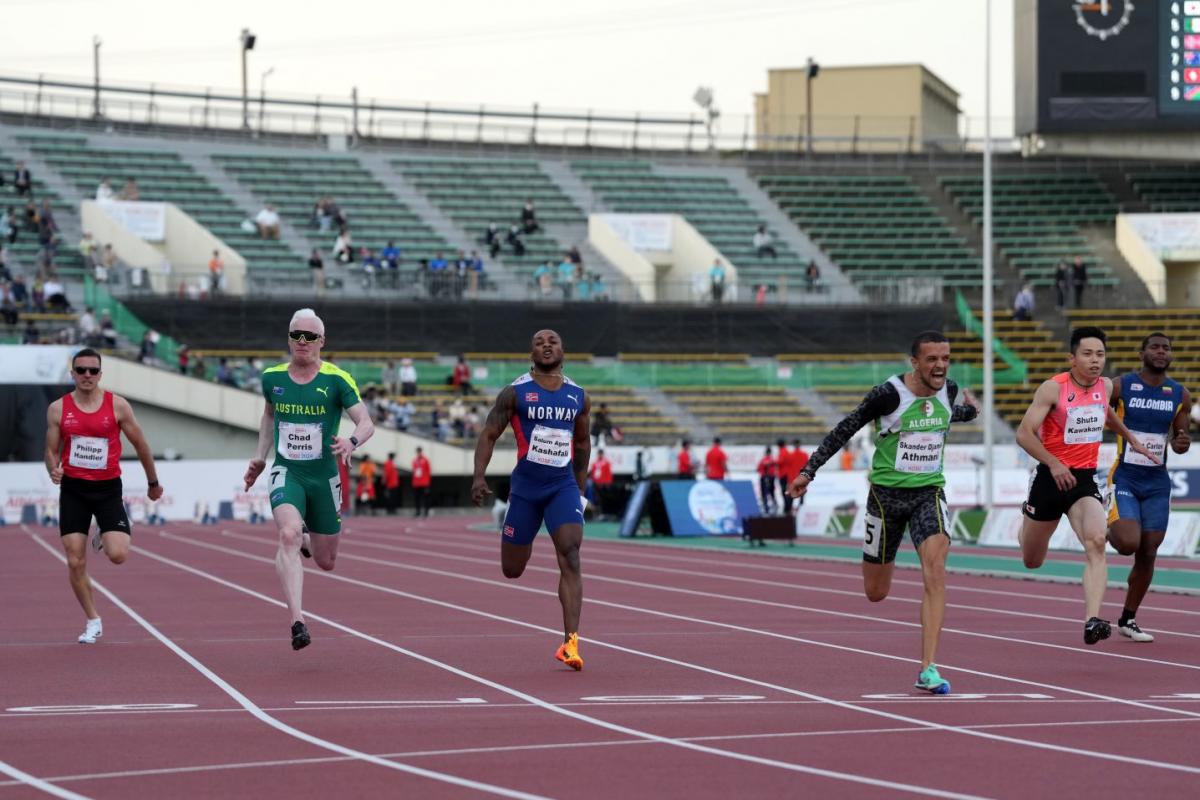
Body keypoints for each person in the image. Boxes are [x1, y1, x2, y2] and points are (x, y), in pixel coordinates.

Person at [789, 331, 981, 694]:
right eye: (931, 359)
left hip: (928, 492)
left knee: (936, 570)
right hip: (885, 499)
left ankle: (928, 668)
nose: (940, 366)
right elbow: (846, 427)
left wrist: (970, 411)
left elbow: (949, 414)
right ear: (915, 362)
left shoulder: (949, 389)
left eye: (945, 358)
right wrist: (808, 471)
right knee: (876, 592)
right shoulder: (888, 394)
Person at [1015, 326, 1157, 646]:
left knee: (1096, 541)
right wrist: (1053, 462)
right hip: (1050, 479)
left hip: (1083, 480)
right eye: (1088, 354)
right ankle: (1025, 523)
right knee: (1032, 559)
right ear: (1072, 357)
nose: (1095, 361)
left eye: (1100, 354)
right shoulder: (1053, 389)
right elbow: (1024, 433)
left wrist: (1132, 438)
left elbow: (1104, 414)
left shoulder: (1105, 387)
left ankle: (1093, 620)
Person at [242, 309, 374, 650]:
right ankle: (298, 621)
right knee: (286, 533)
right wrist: (260, 456)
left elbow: (366, 422)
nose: (303, 342)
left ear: (322, 342)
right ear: (288, 339)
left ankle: (306, 538)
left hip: (325, 476)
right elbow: (269, 416)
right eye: (297, 335)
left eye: (310, 337)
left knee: (326, 561)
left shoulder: (337, 379)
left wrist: (351, 441)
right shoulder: (272, 378)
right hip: (288, 471)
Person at [471, 329, 590, 670]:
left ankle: (570, 643)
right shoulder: (516, 392)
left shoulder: (578, 396)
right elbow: (489, 433)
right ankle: (519, 529)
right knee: (513, 570)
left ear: (563, 350)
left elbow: (582, 444)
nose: (547, 345)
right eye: (540, 342)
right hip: (525, 489)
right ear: (531, 352)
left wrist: (579, 491)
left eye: (553, 341)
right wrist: (479, 476)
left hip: (562, 486)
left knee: (571, 554)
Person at [44, 348, 164, 644]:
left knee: (118, 555)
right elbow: (50, 450)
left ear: (100, 374)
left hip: (108, 489)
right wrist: (52, 469)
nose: (87, 375)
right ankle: (93, 620)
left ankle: (103, 531)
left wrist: (153, 482)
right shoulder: (58, 409)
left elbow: (141, 445)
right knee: (75, 560)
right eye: (81, 370)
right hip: (73, 489)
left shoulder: (118, 406)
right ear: (72, 374)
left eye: (92, 371)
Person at [1106, 333, 1192, 643]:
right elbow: (1097, 413)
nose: (1160, 352)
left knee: (1148, 550)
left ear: (1171, 355)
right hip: (1125, 475)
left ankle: (1128, 619)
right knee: (1127, 542)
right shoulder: (1121, 385)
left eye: (1166, 348)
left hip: (1156, 481)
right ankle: (1106, 522)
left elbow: (1180, 442)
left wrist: (1182, 442)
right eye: (1154, 347)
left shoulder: (1180, 394)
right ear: (1142, 352)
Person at [589, 448, 614, 518]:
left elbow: (608, 474)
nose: (600, 455)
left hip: (603, 484)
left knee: (603, 498)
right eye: (599, 454)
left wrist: (607, 483)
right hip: (596, 484)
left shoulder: (606, 463)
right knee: (596, 498)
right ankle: (597, 513)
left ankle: (604, 512)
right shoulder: (595, 463)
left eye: (601, 454)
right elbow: (593, 474)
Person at [757, 446, 778, 513]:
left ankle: (765, 505)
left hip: (764, 477)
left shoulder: (763, 460)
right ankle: (775, 504)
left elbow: (758, 469)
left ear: (766, 452)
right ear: (770, 452)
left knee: (764, 493)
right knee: (772, 492)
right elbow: (775, 469)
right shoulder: (773, 460)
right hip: (771, 477)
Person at [412, 446, 432, 517]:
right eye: (417, 451)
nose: (418, 453)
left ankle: (426, 512)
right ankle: (418, 511)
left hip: (424, 483)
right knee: (417, 498)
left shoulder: (425, 460)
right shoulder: (414, 460)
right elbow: (414, 471)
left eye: (419, 451)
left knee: (426, 498)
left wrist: (428, 483)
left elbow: (428, 471)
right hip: (416, 483)